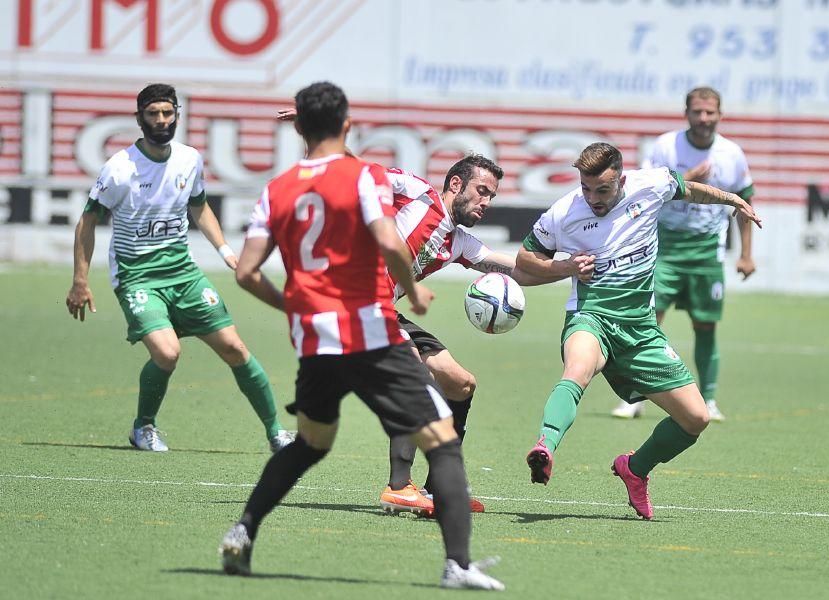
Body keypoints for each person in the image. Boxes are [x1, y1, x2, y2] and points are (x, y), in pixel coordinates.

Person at [218, 81, 503, 590]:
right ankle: (455, 563)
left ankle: (243, 529)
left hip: (315, 338)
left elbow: (245, 272)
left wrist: (293, 304)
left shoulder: (276, 190)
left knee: (309, 443)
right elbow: (389, 238)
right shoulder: (364, 177)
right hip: (369, 329)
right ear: (346, 127)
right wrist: (412, 288)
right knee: (441, 438)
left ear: (302, 128)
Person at [517, 142, 760, 520]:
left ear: (622, 179)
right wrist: (566, 268)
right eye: (586, 188)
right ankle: (545, 446)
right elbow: (526, 259)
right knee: (577, 371)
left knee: (696, 418)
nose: (593, 198)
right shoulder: (564, 212)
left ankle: (635, 469)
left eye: (603, 189)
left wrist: (731, 199)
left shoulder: (651, 184)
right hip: (591, 315)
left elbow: (691, 189)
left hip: (641, 329)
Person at [64, 83, 293, 453]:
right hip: (137, 276)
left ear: (177, 116)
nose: (161, 120)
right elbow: (87, 222)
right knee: (168, 353)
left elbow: (199, 207)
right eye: (152, 114)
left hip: (183, 273)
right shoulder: (120, 169)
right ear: (139, 119)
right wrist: (80, 279)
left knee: (235, 347)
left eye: (167, 113)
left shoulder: (189, 159)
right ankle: (144, 427)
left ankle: (277, 434)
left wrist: (224, 251)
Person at [377, 157, 556, 517]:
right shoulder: (416, 194)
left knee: (460, 384)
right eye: (481, 191)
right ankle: (399, 487)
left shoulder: (457, 242)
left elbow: (518, 270)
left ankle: (440, 486)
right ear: (456, 185)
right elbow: (353, 174)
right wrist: (316, 131)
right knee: (417, 375)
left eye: (491, 196)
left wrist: (568, 269)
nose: (486, 202)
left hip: (384, 311)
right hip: (356, 303)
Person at [611, 87, 755, 422]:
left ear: (720, 115)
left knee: (706, 325)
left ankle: (709, 400)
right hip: (665, 249)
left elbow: (746, 201)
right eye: (697, 112)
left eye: (710, 112)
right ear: (686, 113)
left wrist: (747, 254)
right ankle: (635, 398)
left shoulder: (732, 154)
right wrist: (688, 179)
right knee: (647, 322)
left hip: (707, 252)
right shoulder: (666, 146)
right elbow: (643, 189)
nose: (704, 119)